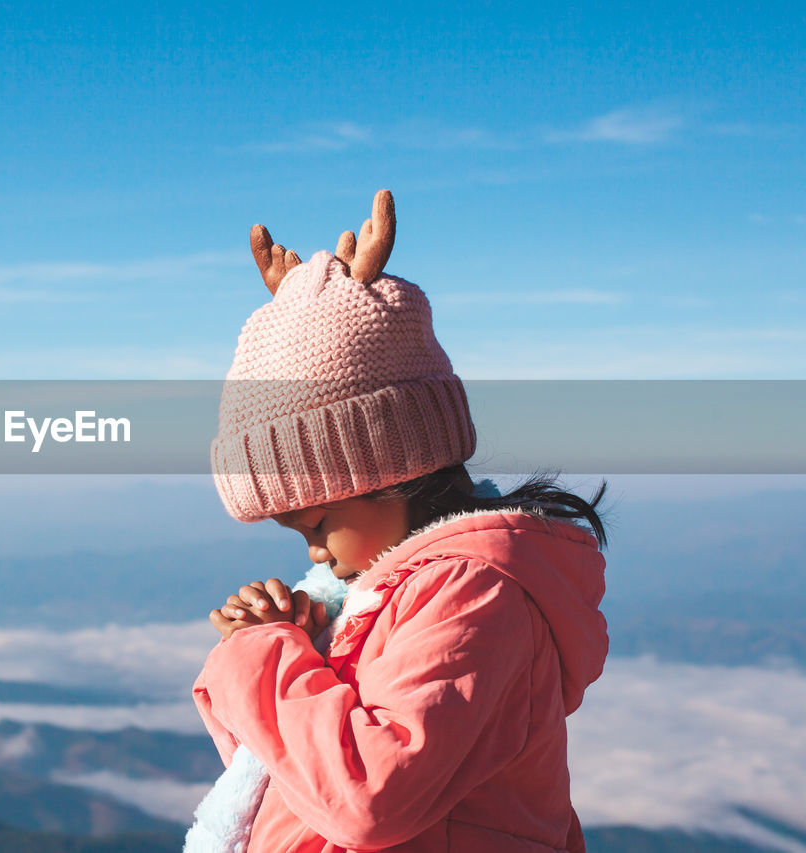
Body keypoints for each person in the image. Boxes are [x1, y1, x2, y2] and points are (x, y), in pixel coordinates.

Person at [191, 190, 611, 852]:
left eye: (316, 523)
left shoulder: (476, 595)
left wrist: (264, 655)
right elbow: (295, 780)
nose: (317, 554)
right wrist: (293, 646)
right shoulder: (384, 598)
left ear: (388, 470)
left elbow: (368, 797)